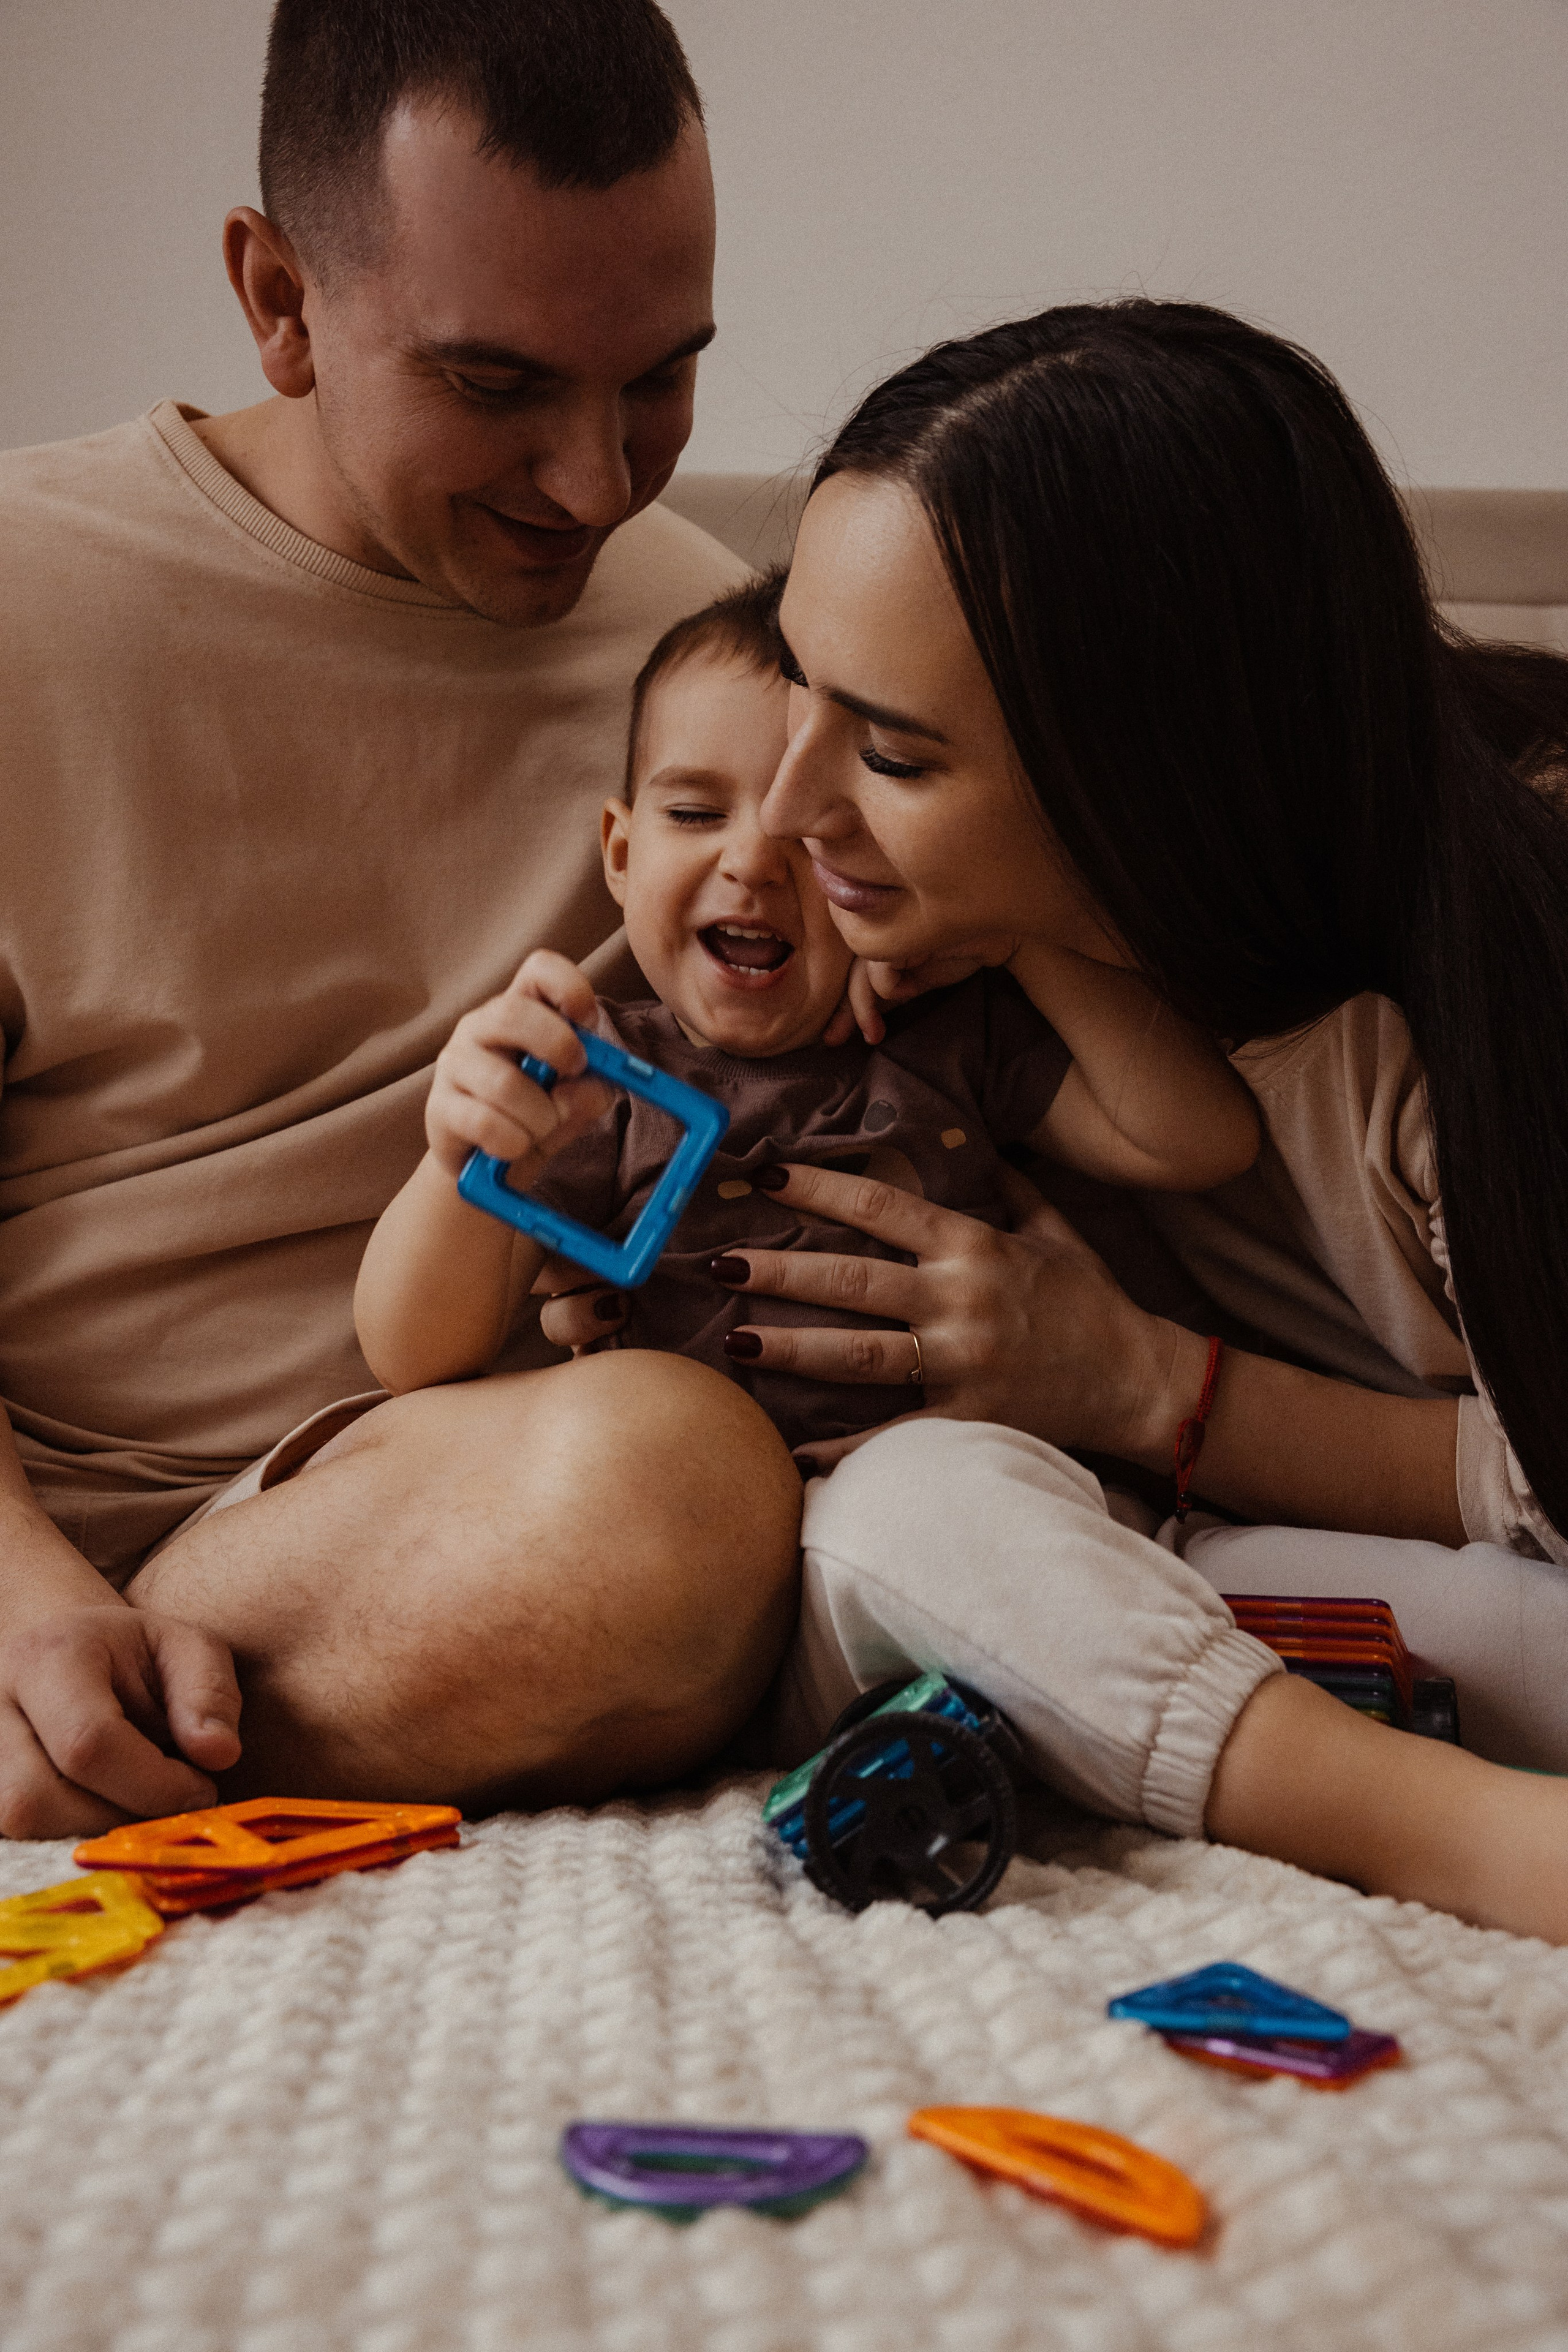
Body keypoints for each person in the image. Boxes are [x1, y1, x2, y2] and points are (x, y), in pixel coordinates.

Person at [564, 298, 1568, 1944]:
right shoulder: (922, 962)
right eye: (801, 685)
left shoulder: (1463, 987)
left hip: (1503, 1559)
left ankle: (1459, 1838)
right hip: (1213, 1566)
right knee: (907, 1528)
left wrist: (1146, 1386)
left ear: (1139, 777)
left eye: (889, 754)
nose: (792, 810)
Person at [0, 0, 804, 1836]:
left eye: (658, 381)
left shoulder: (715, 670)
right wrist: (24, 1599)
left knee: (676, 1492)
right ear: (279, 300)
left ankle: (121, 1745)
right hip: (45, 1522)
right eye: (497, 388)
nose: (593, 482)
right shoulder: (26, 596)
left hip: (436, 1496)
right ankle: (78, 1718)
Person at [351, 571, 1259, 1428]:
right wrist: (464, 1156)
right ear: (621, 856)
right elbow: (411, 1357)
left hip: (945, 1469)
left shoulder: (947, 1030)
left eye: (820, 831)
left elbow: (1199, 1141)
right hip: (678, 1481)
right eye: (695, 814)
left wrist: (1012, 938)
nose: (753, 860)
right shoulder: (588, 1083)